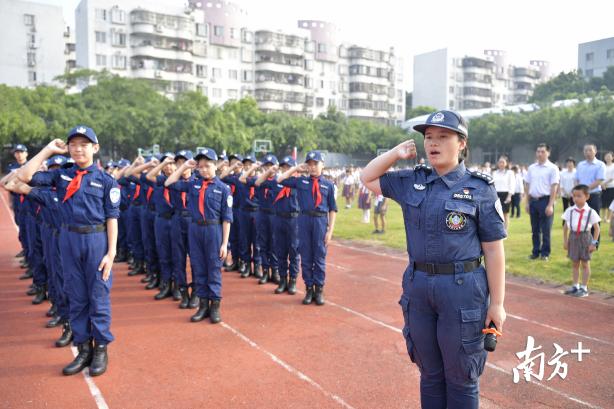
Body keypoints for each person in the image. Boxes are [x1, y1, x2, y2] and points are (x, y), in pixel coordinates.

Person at [360, 110, 506, 409]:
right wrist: (395, 153)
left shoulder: (479, 188)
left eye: (443, 137)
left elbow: (493, 249)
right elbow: (368, 177)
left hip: (463, 289)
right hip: (419, 287)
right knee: (430, 373)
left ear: (461, 143)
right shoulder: (413, 181)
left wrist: (497, 304)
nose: (433, 143)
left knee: (462, 376)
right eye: (428, 137)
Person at [18, 126, 120, 377]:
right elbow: (24, 176)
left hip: (96, 240)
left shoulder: (107, 181)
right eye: (73, 144)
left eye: (84, 144)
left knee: (97, 296)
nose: (78, 149)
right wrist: (48, 150)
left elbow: (112, 218)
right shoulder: (61, 175)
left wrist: (111, 253)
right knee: (76, 296)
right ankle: (83, 349)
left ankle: (100, 350)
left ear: (95, 148)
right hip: (68, 238)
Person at [165, 148, 232, 324]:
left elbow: (227, 219)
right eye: (200, 166)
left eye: (207, 166)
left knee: (213, 269)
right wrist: (184, 166)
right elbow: (169, 183)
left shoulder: (223, 189)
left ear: (216, 166)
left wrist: (224, 243)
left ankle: (215, 306)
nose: (203, 170)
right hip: (195, 230)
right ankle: (203, 306)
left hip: (213, 230)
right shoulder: (193, 184)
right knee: (199, 267)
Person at [277, 151, 338, 306]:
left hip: (320, 221)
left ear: (322, 165)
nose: (312, 167)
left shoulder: (329, 185)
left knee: (319, 257)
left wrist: (330, 232)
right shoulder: (300, 182)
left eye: (315, 164)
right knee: (306, 256)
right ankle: (309, 288)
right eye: (309, 164)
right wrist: (296, 168)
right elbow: (280, 179)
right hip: (304, 220)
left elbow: (332, 209)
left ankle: (319, 290)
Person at [256, 156, 300, 295]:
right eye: (284, 167)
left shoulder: (299, 182)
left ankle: (292, 280)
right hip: (278, 219)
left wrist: (295, 170)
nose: (285, 169)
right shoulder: (276, 182)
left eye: (289, 167)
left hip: (293, 220)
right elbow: (258, 182)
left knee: (293, 251)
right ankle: (282, 280)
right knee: (280, 250)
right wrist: (270, 171)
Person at [562, 185, 601, 297]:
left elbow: (597, 228)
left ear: (587, 196)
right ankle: (575, 286)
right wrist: (565, 241)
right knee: (575, 263)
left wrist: (594, 243)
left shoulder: (591, 212)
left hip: (585, 238)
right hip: (573, 237)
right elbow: (565, 227)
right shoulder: (570, 210)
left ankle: (584, 288)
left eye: (579, 196)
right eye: (574, 196)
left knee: (585, 263)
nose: (576, 198)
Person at [524, 143, 560, 261]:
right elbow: (527, 185)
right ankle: (535, 252)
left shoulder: (552, 168)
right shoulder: (531, 168)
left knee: (546, 229)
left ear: (548, 153)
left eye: (542, 151)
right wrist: (527, 203)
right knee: (534, 230)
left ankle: (545, 253)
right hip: (533, 201)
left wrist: (550, 205)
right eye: (538, 151)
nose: (540, 153)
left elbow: (554, 187)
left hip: (546, 201)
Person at [575, 144, 606, 246]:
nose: (588, 152)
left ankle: (594, 243)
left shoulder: (600, 164)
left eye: (590, 150)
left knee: (594, 220)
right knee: (580, 219)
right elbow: (577, 180)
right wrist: (577, 192)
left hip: (594, 195)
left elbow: (600, 180)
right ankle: (581, 242)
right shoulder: (580, 165)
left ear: (595, 151)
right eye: (586, 151)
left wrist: (585, 190)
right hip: (580, 196)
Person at [492, 156, 514, 229]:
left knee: (505, 214)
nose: (501, 164)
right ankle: (498, 230)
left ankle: (505, 231)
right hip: (496, 194)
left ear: (506, 163)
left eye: (503, 162)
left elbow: (512, 184)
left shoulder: (510, 173)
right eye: (500, 162)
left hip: (506, 194)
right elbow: (492, 184)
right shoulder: (494, 173)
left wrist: (509, 196)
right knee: (496, 214)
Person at [602, 151, 614, 222]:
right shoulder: (602, 166)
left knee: (610, 202)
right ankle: (604, 217)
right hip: (603, 187)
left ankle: (609, 218)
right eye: (606, 156)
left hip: (611, 186)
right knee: (603, 203)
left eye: (609, 156)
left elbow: (612, 177)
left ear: (612, 158)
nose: (608, 158)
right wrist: (602, 184)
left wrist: (604, 183)